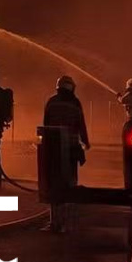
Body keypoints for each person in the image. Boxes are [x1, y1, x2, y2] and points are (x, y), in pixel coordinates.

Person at [42, 75, 88, 233]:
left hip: (54, 150)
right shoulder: (75, 103)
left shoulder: (51, 102)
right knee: (70, 183)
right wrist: (85, 141)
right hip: (71, 150)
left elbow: (46, 125)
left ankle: (54, 221)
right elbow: (81, 124)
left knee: (53, 184)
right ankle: (67, 222)